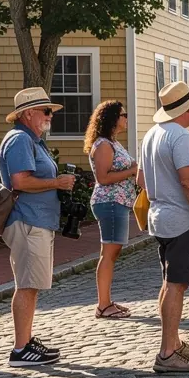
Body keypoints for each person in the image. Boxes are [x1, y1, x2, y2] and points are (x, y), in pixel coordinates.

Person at [136, 81, 189, 373]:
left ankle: (174, 342)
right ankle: (168, 352)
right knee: (176, 284)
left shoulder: (151, 135)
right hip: (181, 219)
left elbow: (141, 181)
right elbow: (188, 180)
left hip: (161, 216)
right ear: (188, 108)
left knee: (170, 282)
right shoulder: (180, 137)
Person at [0, 88, 77, 367]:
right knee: (27, 284)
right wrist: (57, 182)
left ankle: (27, 342)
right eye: (46, 111)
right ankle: (20, 349)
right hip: (27, 220)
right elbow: (20, 182)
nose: (50, 115)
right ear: (28, 114)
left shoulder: (32, 140)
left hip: (36, 220)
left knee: (31, 284)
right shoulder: (20, 139)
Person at [84, 100, 137, 319]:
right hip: (110, 202)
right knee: (109, 254)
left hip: (119, 202)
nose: (126, 118)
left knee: (111, 253)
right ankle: (103, 305)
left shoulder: (113, 142)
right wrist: (133, 170)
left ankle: (106, 301)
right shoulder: (103, 144)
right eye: (123, 114)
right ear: (113, 118)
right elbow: (103, 178)